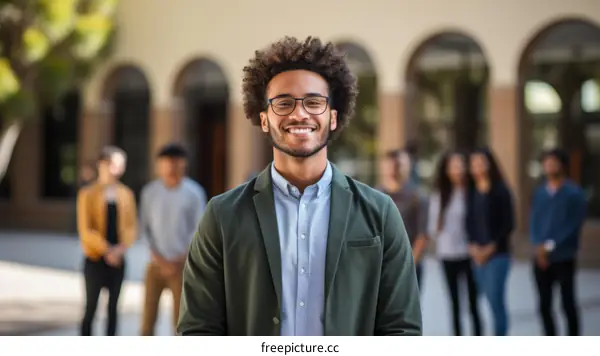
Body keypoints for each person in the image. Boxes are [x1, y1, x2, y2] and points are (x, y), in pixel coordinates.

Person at [177, 36, 422, 336]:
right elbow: (198, 330)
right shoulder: (222, 215)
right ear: (264, 119)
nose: (299, 113)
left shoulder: (380, 213)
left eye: (314, 102)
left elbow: (402, 330)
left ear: (332, 117)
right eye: (283, 103)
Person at [139, 143, 207, 335]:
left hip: (183, 267)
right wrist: (160, 259)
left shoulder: (194, 193)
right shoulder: (149, 192)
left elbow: (199, 230)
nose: (171, 167)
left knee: (181, 325)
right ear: (159, 165)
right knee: (146, 324)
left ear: (183, 164)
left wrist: (179, 259)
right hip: (154, 265)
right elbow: (144, 229)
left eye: (176, 162)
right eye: (166, 163)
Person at [76, 146, 137, 336]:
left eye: (120, 164)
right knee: (90, 308)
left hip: (118, 260)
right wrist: (106, 249)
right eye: (113, 164)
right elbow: (86, 230)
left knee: (113, 310)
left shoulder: (126, 194)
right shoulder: (87, 193)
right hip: (95, 259)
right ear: (102, 164)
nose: (117, 168)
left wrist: (120, 249)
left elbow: (131, 227)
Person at [530, 148, 586, 336]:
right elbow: (534, 221)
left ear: (562, 165)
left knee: (567, 303)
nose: (549, 166)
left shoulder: (574, 193)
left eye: (553, 162)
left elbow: (572, 225)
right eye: (546, 163)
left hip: (563, 256)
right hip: (540, 258)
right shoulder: (540, 193)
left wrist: (550, 246)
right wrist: (539, 246)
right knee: (544, 305)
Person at [428, 151, 482, 336]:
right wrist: (437, 226)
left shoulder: (472, 193)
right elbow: (433, 229)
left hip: (469, 254)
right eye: (454, 166)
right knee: (455, 304)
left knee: (474, 303)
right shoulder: (440, 195)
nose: (459, 170)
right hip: (447, 255)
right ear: (446, 170)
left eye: (461, 165)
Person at [466, 147, 515, 336]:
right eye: (474, 163)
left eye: (481, 162)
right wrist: (472, 246)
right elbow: (469, 222)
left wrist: (491, 247)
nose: (477, 167)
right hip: (477, 255)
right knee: (485, 299)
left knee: (496, 301)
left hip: (498, 255)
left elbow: (508, 224)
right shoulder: (472, 192)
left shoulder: (501, 190)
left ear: (489, 164)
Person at [377, 149, 428, 288]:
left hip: (410, 266)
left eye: (398, 165)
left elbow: (422, 236)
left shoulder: (417, 196)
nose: (393, 170)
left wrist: (407, 265)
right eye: (389, 165)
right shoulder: (373, 196)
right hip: (382, 268)